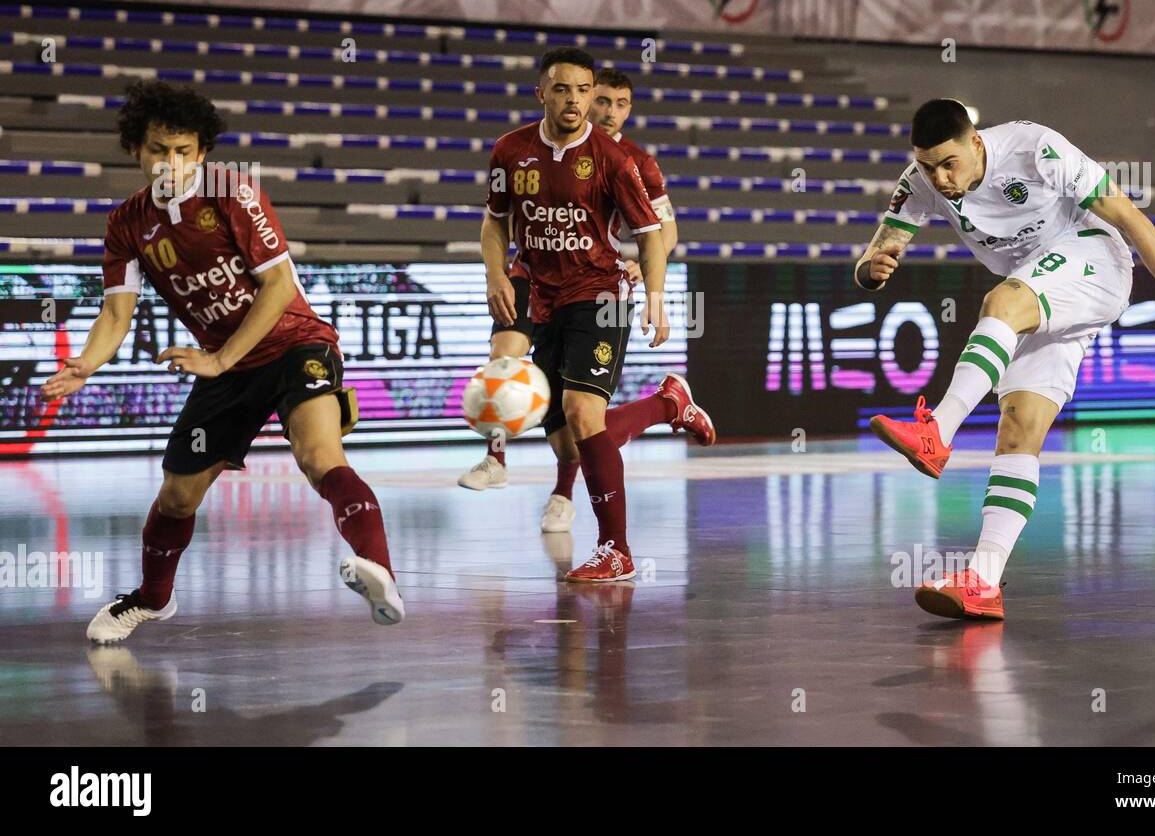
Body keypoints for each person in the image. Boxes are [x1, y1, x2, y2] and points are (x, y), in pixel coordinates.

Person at [41, 80, 402, 643]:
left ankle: (379, 569)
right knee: (178, 495)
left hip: (294, 345)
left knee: (317, 454)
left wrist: (219, 358)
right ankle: (153, 600)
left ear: (203, 152)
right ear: (136, 149)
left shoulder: (233, 193)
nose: (171, 162)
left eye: (184, 151)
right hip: (226, 367)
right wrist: (85, 365)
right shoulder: (126, 224)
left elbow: (279, 285)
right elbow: (115, 315)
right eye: (159, 149)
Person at [857, 99, 1155, 620]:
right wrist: (871, 271)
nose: (941, 177)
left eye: (949, 163)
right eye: (928, 165)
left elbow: (1129, 217)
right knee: (1019, 425)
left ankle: (937, 431)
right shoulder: (922, 180)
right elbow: (876, 252)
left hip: (1094, 258)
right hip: (1042, 287)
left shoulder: (1034, 148)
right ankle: (982, 580)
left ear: (976, 143)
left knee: (1001, 302)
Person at [480, 47, 712, 581]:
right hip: (542, 295)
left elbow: (657, 233)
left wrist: (653, 292)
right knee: (572, 440)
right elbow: (495, 222)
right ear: (542, 92)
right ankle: (665, 405)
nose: (580, 102)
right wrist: (496, 274)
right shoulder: (510, 151)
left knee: (585, 415)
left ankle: (616, 549)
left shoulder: (619, 159)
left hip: (602, 294)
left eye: (587, 92)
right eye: (566, 90)